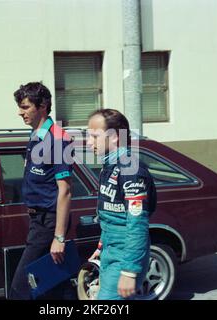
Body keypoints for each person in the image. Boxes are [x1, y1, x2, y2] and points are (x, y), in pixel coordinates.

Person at [9, 82, 73, 300]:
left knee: (20, 289)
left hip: (49, 223)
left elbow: (64, 191)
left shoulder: (57, 139)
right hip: (39, 220)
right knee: (52, 288)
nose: (20, 112)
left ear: (43, 106)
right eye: (20, 107)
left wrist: (59, 237)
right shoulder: (36, 135)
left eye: (25, 107)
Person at [86, 109, 157, 300]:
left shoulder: (130, 170)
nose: (88, 142)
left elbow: (137, 224)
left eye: (94, 136)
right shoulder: (109, 166)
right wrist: (101, 247)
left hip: (125, 255)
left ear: (115, 137)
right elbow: (110, 216)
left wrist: (129, 271)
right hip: (110, 250)